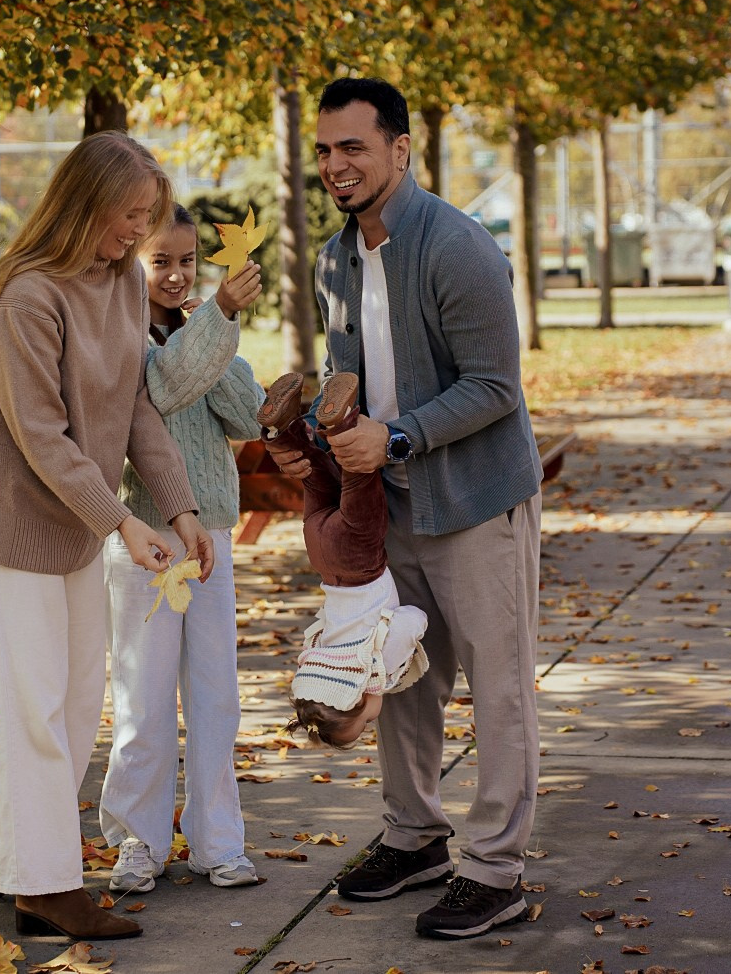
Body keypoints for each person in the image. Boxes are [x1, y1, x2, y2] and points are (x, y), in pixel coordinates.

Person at [268, 78, 543, 941]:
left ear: (399, 148)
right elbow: (361, 389)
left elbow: (496, 386)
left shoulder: (458, 247)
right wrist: (313, 439)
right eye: (323, 150)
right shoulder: (333, 262)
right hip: (392, 503)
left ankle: (496, 870)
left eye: (353, 146)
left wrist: (394, 439)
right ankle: (414, 836)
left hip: (475, 500)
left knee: (497, 690)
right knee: (401, 677)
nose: (335, 165)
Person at [0, 132, 214, 943]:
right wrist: (123, 521)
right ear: (83, 203)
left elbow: (134, 406)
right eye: (129, 216)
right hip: (8, 497)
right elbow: (40, 432)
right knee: (34, 694)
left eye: (147, 218)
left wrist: (180, 507)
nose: (138, 232)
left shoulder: (122, 284)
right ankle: (46, 886)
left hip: (75, 499)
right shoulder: (24, 296)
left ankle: (4, 848)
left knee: (75, 693)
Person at [100, 204, 265, 894]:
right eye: (159, 260)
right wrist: (215, 320)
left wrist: (212, 325)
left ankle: (218, 839)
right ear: (131, 263)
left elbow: (248, 412)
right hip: (146, 539)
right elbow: (163, 385)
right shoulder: (121, 336)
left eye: (187, 259)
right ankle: (138, 840)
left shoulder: (203, 325)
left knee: (214, 692)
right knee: (143, 694)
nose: (176, 273)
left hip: (212, 538)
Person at [257, 370, 428, 749]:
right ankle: (284, 428)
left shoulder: (375, 672)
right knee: (317, 479)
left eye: (365, 722)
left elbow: (414, 620)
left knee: (358, 476)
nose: (371, 722)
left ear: (363, 700)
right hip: (322, 554)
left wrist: (394, 667)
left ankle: (342, 422)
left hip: (359, 558)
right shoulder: (319, 656)